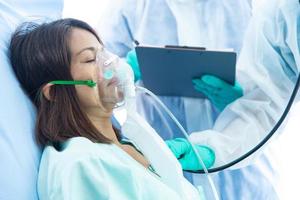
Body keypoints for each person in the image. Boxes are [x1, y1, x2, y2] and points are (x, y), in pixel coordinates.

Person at [8, 18, 216, 199]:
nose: (110, 63)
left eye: (103, 52)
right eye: (90, 59)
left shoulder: (133, 146)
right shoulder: (81, 165)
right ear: (53, 92)